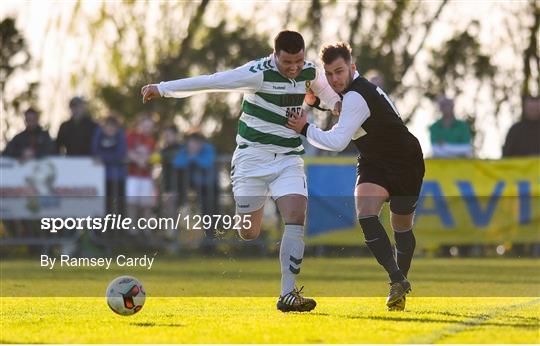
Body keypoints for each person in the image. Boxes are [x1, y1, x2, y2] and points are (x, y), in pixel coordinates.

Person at [141, 30, 341, 312]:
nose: (294, 67)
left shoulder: (310, 71)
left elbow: (327, 92)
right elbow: (212, 82)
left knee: (297, 214)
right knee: (249, 231)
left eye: (298, 60)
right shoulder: (255, 73)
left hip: (288, 157)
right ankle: (236, 225)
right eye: (288, 63)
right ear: (275, 56)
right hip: (252, 158)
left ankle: (288, 293)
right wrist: (162, 88)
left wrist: (337, 105)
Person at [288, 42, 424, 311]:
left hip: (405, 162)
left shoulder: (357, 96)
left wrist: (304, 128)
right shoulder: (352, 94)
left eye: (339, 72)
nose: (334, 79)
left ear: (352, 68)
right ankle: (397, 280)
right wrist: (317, 104)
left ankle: (400, 283)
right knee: (365, 212)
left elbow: (338, 141)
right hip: (374, 162)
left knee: (402, 228)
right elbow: (341, 108)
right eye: (328, 74)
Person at [91, 115, 128, 215]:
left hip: (118, 175)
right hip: (102, 176)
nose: (111, 128)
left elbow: (120, 153)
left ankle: (119, 225)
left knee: (119, 202)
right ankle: (106, 226)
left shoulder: (120, 135)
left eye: (113, 126)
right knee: (105, 202)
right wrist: (110, 158)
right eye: (108, 125)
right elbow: (95, 150)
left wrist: (104, 159)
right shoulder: (99, 133)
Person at [126, 113, 156, 222]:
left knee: (146, 205)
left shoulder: (151, 140)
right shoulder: (130, 136)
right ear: (139, 124)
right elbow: (127, 152)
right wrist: (138, 160)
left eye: (149, 126)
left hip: (146, 176)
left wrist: (146, 160)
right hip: (132, 175)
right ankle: (132, 230)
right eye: (145, 125)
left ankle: (145, 230)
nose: (146, 129)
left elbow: (152, 155)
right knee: (132, 203)